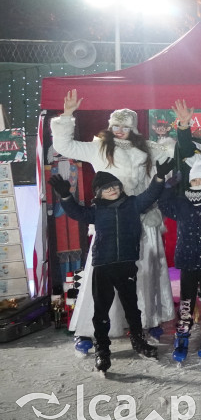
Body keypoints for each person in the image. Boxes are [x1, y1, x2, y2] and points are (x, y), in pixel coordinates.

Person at [50, 90, 176, 353]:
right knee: (102, 277)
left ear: (134, 129)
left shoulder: (148, 149)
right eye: (115, 126)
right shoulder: (99, 147)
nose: (119, 131)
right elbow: (65, 146)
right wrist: (67, 115)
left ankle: (146, 321)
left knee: (144, 272)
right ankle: (89, 330)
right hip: (110, 221)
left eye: (125, 127)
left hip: (143, 217)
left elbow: (169, 162)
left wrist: (175, 135)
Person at [49, 158, 173, 372]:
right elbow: (76, 212)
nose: (113, 190)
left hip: (126, 264)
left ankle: (138, 341)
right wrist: (66, 196)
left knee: (132, 308)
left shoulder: (133, 204)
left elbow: (151, 195)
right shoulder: (96, 211)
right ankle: (102, 350)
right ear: (98, 193)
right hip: (103, 266)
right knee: (101, 311)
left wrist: (159, 177)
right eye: (107, 188)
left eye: (115, 186)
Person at [157, 159, 201, 363]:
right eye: (195, 180)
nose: (199, 183)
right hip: (187, 259)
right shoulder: (181, 202)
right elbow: (164, 204)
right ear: (190, 183)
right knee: (186, 301)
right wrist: (168, 186)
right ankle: (182, 335)